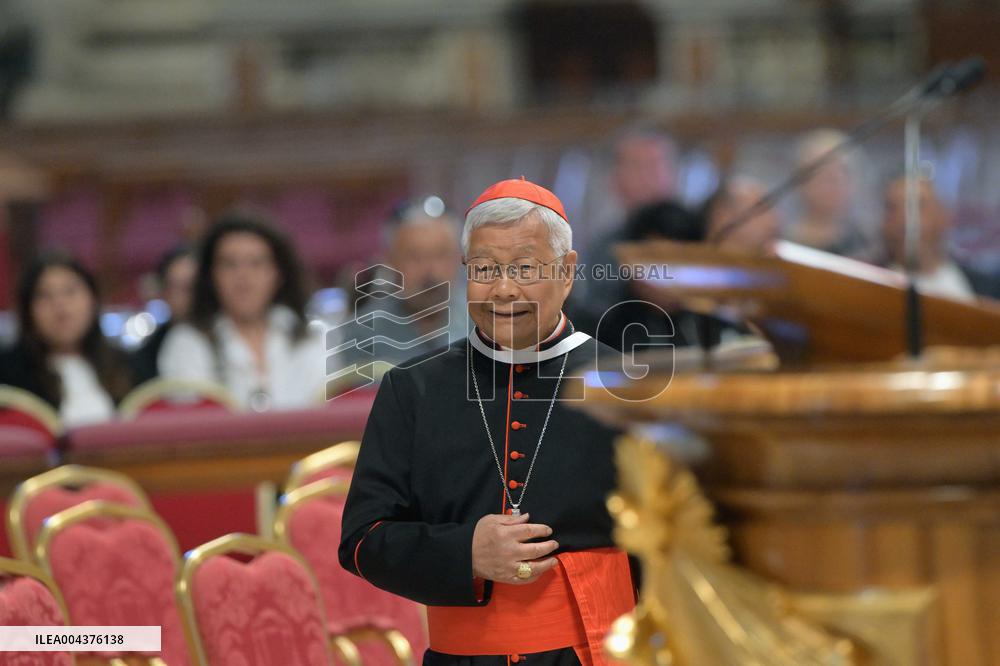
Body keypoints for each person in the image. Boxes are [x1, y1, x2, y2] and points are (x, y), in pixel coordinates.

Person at [339, 178, 635, 666]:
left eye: (523, 267)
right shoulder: (412, 391)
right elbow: (362, 541)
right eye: (484, 269)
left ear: (566, 272)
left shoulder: (625, 388)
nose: (502, 289)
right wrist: (464, 553)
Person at [157, 212, 325, 411]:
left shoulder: (313, 337)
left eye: (256, 263)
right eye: (230, 264)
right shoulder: (186, 343)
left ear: (278, 274)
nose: (243, 277)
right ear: (211, 276)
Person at [329, 197, 468, 389]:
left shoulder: (487, 323)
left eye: (440, 255)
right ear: (390, 261)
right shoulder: (363, 333)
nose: (430, 271)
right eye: (415, 257)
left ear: (460, 258)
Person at [0, 253, 132, 426]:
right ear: (28, 310)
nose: (60, 304)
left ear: (93, 299)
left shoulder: (126, 364)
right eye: (44, 295)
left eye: (70, 291)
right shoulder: (8, 374)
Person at [881, 175, 976, 302]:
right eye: (893, 209)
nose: (904, 220)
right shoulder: (870, 284)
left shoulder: (980, 284)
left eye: (916, 207)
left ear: (943, 216)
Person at [785, 129, 874, 261]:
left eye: (844, 171)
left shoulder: (870, 246)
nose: (835, 179)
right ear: (799, 181)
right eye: (822, 173)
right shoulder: (783, 246)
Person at [130, 245, 196, 384]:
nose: (191, 295)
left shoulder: (231, 336)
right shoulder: (146, 358)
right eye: (178, 287)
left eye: (194, 286)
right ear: (163, 293)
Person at [703, 175, 780, 255]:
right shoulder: (695, 265)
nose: (773, 222)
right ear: (723, 216)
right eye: (761, 210)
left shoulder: (778, 265)